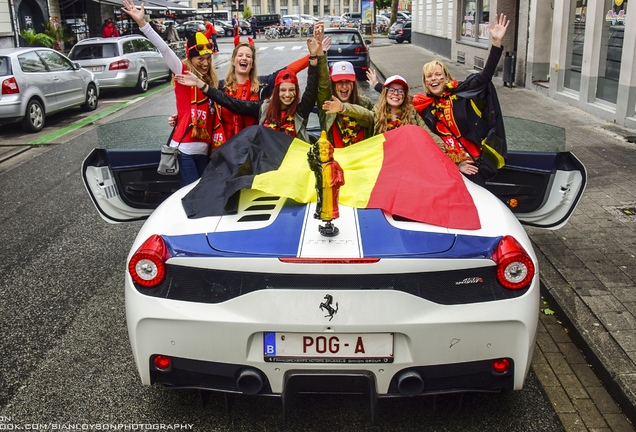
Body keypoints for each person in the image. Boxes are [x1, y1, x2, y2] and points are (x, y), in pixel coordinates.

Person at [122, 0, 224, 186]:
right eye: (200, 59)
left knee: (203, 195)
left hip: (204, 151)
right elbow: (164, 49)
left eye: (208, 59)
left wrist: (180, 116)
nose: (205, 63)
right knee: (191, 197)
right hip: (183, 150)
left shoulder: (210, 84)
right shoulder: (183, 73)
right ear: (191, 59)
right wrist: (143, 24)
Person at [168, 24, 326, 141]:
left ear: (252, 63)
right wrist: (183, 116)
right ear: (233, 60)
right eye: (240, 55)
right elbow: (202, 107)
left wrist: (314, 54)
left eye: (248, 56)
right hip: (224, 148)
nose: (244, 58)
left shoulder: (263, 85)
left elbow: (290, 70)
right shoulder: (219, 87)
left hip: (254, 148)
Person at [413, 13, 509, 184]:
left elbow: (485, 76)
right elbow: (398, 99)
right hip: (447, 166)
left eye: (438, 75)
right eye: (429, 76)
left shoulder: (462, 94)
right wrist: (456, 165)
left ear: (447, 78)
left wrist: (496, 44)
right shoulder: (425, 106)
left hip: (473, 163)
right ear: (425, 83)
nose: (433, 79)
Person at [323, 75, 428, 136]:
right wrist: (343, 108)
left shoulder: (412, 113)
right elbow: (363, 114)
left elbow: (427, 134)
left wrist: (443, 150)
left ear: (405, 95)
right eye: (391, 90)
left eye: (400, 91)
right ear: (385, 93)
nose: (396, 94)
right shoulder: (377, 112)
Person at [318, 60, 374, 147]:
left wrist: (343, 108)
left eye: (348, 81)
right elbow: (322, 83)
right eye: (339, 81)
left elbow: (371, 119)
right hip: (336, 158)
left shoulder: (364, 103)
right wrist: (319, 55)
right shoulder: (327, 104)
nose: (344, 86)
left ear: (353, 83)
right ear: (333, 84)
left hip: (363, 158)